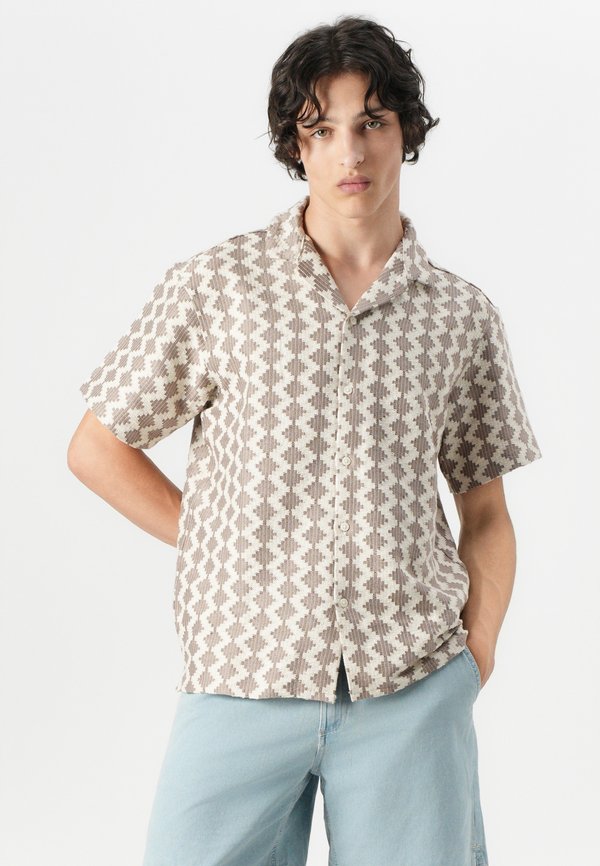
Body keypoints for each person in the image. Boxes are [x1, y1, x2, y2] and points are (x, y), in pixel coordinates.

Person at [68, 14, 542, 866]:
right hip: (240, 673)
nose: (349, 153)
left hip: (410, 683)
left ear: (406, 131)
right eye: (322, 130)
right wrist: (216, 537)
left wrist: (478, 651)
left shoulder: (460, 316)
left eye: (372, 122)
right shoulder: (218, 287)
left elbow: (486, 511)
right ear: (297, 145)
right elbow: (97, 447)